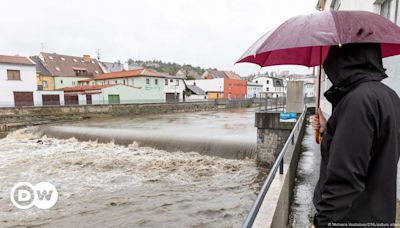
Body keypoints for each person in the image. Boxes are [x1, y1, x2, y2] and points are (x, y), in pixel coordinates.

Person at [311, 43, 400, 227]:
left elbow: (345, 178)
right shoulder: (389, 96)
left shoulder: (358, 101)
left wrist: (323, 221)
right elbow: (374, 147)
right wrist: (330, 129)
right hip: (379, 214)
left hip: (350, 217)